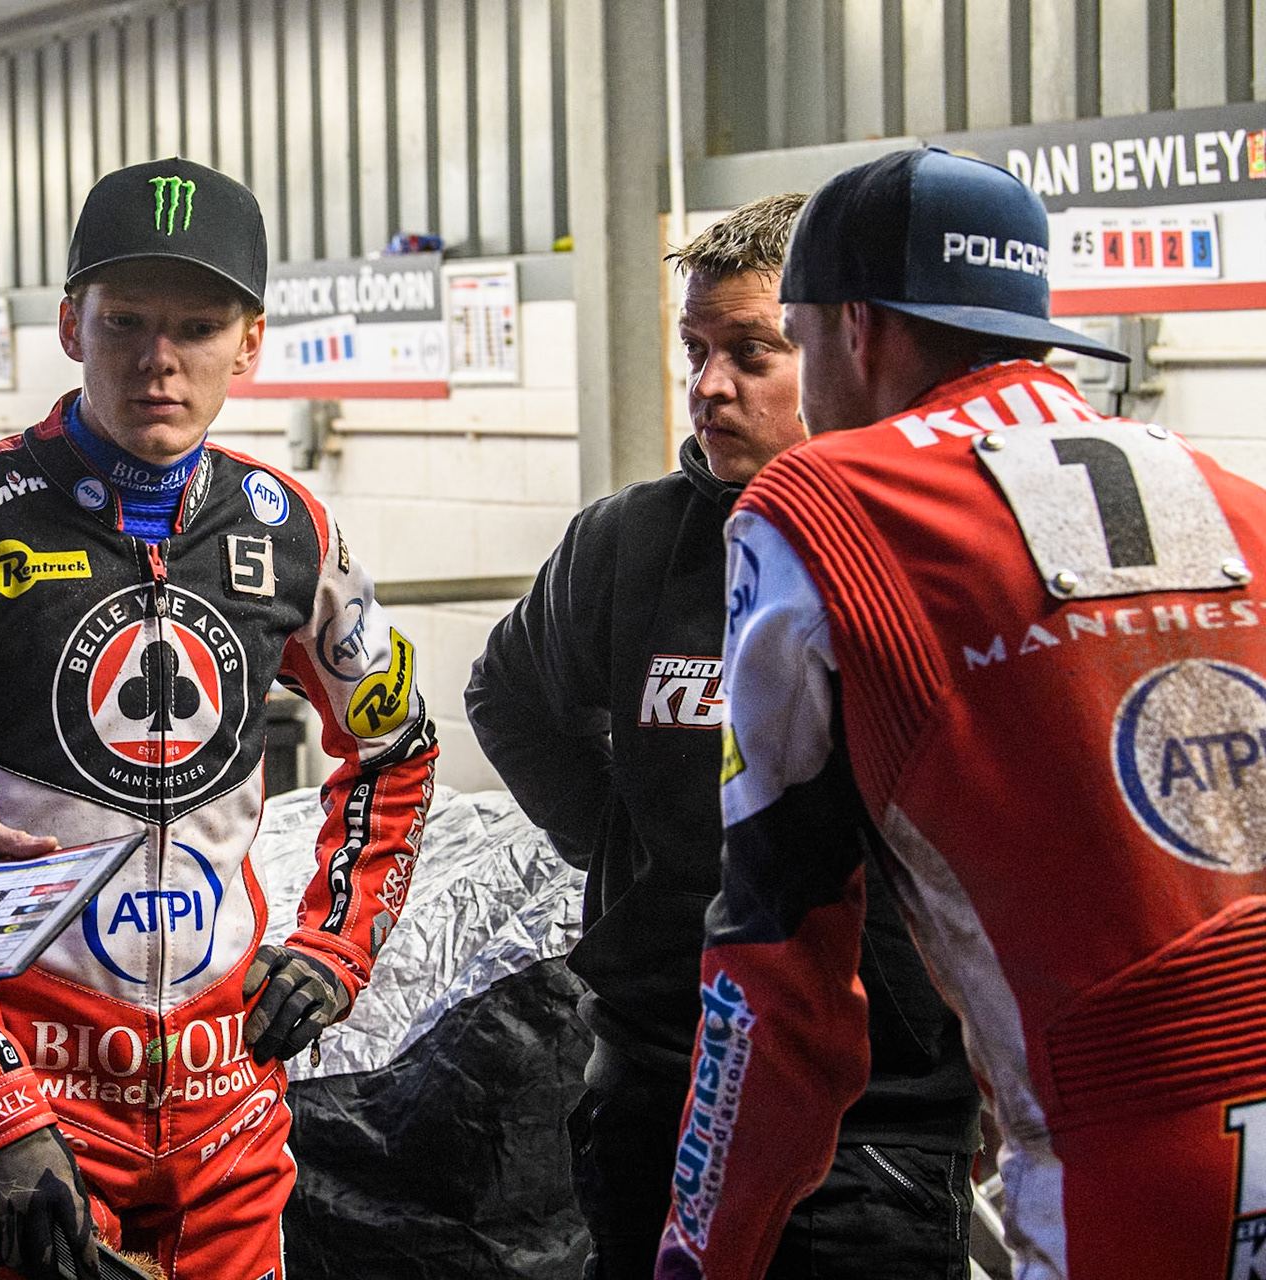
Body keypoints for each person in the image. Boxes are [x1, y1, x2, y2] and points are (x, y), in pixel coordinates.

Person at [654, 147, 1266, 1280]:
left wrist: (702, 1250)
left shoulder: (819, 503)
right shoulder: (1230, 491)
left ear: (854, 329)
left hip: (1129, 1156)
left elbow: (775, 980)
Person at [0, 156, 439, 1280]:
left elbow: (396, 747)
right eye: (125, 322)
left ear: (251, 342)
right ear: (70, 323)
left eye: (198, 326)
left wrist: (336, 945)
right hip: (30, 1115)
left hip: (230, 1121)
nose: (159, 360)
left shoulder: (298, 528)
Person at [465, 194, 981, 1279]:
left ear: (842, 348)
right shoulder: (628, 541)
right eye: (695, 351)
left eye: (751, 351)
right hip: (662, 1080)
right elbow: (506, 695)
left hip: (874, 1115)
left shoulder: (937, 548)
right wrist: (622, 843)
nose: (708, 385)